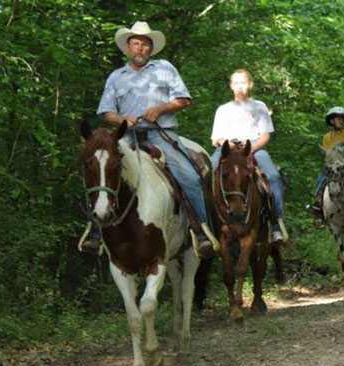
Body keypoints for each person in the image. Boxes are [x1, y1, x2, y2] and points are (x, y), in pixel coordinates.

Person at [83, 21, 214, 258]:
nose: (140, 48)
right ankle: (95, 232)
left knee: (190, 177)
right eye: (136, 43)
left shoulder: (165, 69)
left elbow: (184, 100)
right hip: (127, 137)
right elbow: (105, 112)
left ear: (151, 49)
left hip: (161, 135)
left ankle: (200, 231)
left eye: (145, 44)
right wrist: (122, 118)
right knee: (100, 170)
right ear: (127, 48)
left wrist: (160, 108)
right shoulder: (116, 77)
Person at [210, 69, 286, 242]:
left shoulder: (259, 106)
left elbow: (265, 135)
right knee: (206, 174)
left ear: (250, 84)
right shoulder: (223, 110)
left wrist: (252, 148)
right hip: (227, 149)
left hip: (254, 147)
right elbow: (215, 138)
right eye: (235, 83)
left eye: (243, 82)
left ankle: (276, 224)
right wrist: (226, 144)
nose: (239, 86)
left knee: (273, 176)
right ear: (231, 86)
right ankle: (206, 224)